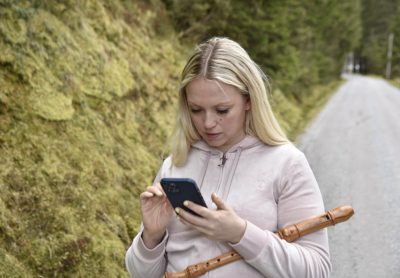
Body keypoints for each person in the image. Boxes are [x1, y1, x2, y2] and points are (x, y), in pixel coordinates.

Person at [125, 37, 331, 277]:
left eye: (222, 110)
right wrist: (151, 236)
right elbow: (141, 274)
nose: (208, 123)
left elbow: (317, 270)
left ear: (248, 100)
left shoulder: (287, 163)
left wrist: (241, 234)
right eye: (196, 110)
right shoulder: (175, 165)